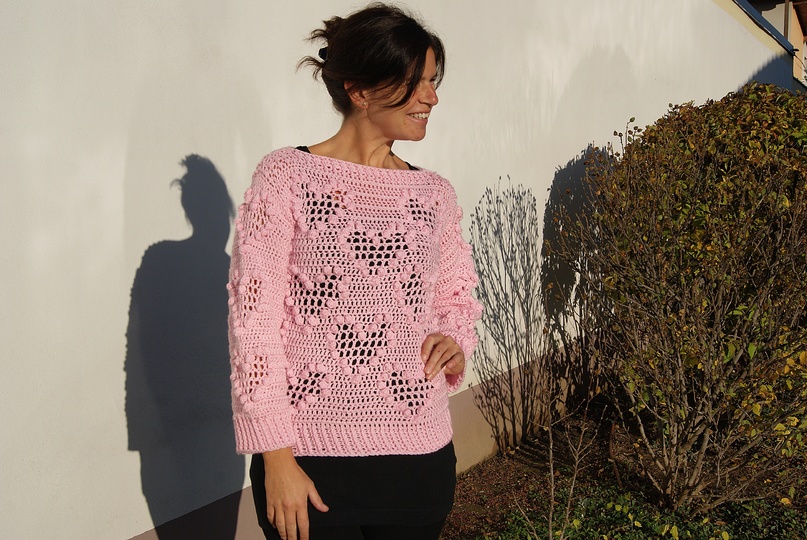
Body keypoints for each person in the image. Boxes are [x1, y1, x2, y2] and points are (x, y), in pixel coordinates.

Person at [227, 4, 481, 539]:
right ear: (360, 90)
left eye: (432, 82)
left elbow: (455, 299)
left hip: (419, 462)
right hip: (309, 467)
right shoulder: (287, 177)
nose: (431, 97)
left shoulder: (433, 194)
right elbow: (254, 328)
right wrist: (276, 459)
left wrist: (455, 340)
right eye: (415, 83)